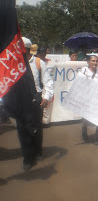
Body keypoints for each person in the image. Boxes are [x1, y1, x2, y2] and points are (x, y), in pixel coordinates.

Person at [21, 37, 54, 171]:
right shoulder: (15, 64)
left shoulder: (38, 62)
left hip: (36, 99)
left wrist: (46, 97)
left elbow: (48, 82)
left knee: (36, 127)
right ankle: (27, 158)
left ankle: (38, 151)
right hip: (20, 100)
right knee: (22, 129)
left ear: (26, 50)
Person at [80, 53, 98, 144]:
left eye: (96, 61)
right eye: (93, 61)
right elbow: (79, 83)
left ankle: (96, 136)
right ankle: (84, 128)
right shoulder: (84, 70)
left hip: (97, 98)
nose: (95, 62)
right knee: (86, 118)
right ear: (88, 62)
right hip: (87, 98)